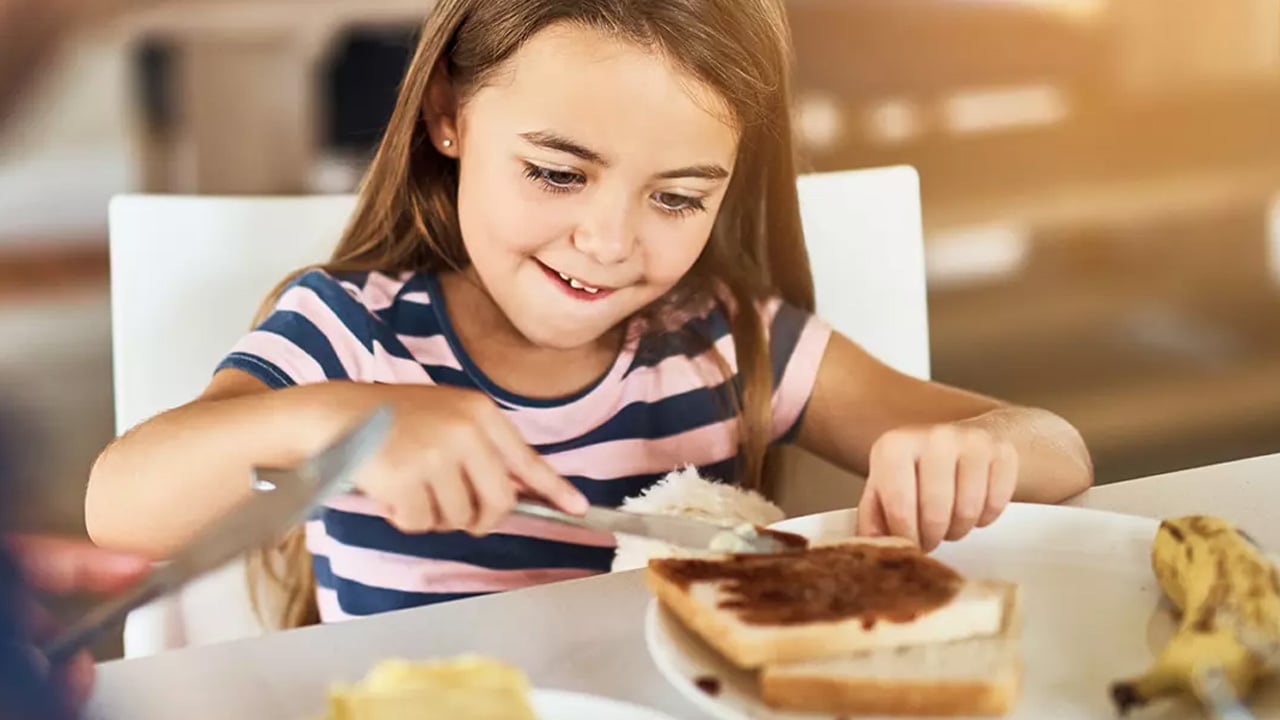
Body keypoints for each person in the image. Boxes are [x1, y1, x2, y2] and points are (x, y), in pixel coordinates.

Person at [84, 0, 1094, 630]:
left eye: (676, 196)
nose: (609, 242)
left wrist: (984, 450)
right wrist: (335, 424)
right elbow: (119, 508)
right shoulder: (351, 334)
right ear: (446, 114)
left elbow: (1058, 455)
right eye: (557, 173)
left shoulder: (722, 342)